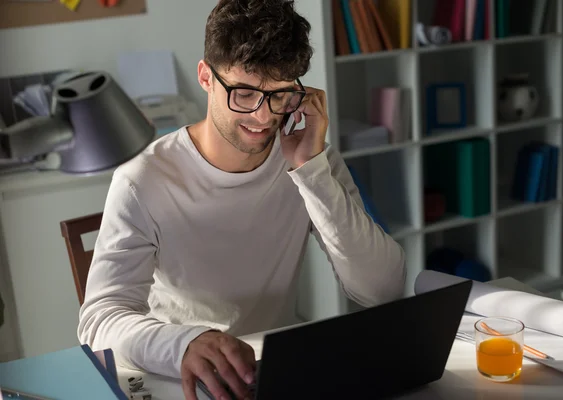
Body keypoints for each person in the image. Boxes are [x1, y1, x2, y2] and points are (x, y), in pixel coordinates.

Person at [78, 0, 406, 399]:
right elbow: (99, 322)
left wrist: (311, 171)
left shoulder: (310, 160)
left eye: (281, 95)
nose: (264, 117)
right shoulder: (142, 181)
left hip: (268, 373)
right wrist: (183, 343)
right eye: (245, 93)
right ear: (206, 77)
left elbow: (382, 289)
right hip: (178, 375)